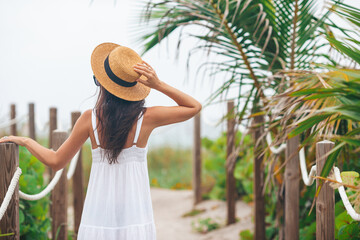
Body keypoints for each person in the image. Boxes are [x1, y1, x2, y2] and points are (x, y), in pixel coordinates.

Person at [0, 42, 202, 239]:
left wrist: (26, 141)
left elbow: (56, 161)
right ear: (134, 87)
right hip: (135, 214)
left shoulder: (90, 119)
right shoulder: (146, 118)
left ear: (102, 83)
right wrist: (158, 84)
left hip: (98, 216)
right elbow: (193, 107)